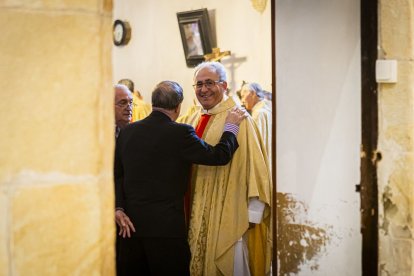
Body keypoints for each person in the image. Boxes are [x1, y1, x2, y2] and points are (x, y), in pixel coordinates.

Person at [114, 80, 247, 276]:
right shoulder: (181, 133)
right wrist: (231, 127)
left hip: (131, 229)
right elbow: (219, 156)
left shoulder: (127, 133)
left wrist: (118, 207)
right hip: (166, 232)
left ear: (153, 103)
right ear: (178, 107)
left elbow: (117, 175)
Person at [178, 61, 272, 276]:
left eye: (210, 83)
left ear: (224, 85)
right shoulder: (193, 117)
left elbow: (255, 167)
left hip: (227, 208)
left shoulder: (239, 119)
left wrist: (252, 213)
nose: (204, 89)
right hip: (194, 204)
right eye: (199, 84)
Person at [240, 82, 272, 165]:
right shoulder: (267, 110)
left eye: (243, 96)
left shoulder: (258, 113)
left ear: (253, 94)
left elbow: (255, 144)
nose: (242, 100)